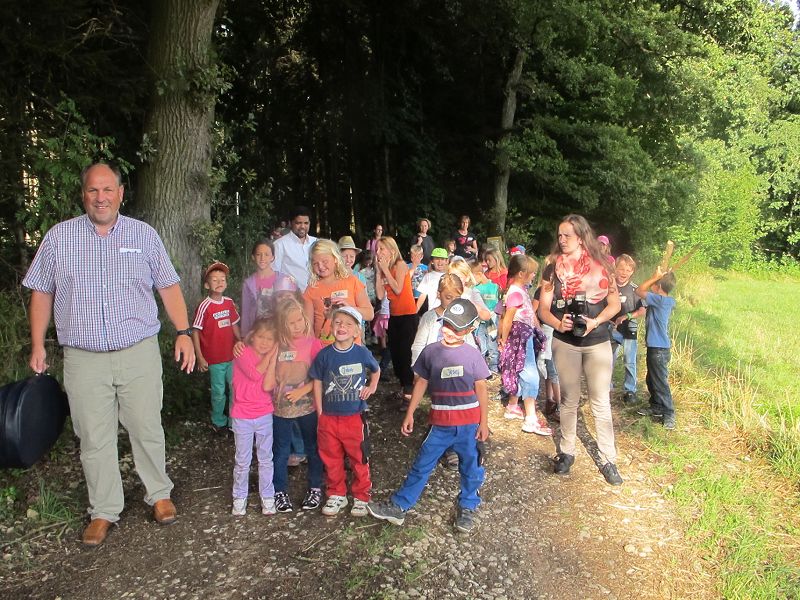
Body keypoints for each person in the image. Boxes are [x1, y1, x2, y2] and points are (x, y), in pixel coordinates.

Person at [22, 163, 195, 547]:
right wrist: (38, 343)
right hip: (83, 358)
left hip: (138, 351)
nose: (100, 197)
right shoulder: (59, 238)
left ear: (120, 193)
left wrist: (183, 333)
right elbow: (42, 292)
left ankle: (159, 494)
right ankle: (103, 510)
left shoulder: (143, 235)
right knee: (93, 436)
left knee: (146, 426)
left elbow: (168, 286)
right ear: (83, 194)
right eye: (93, 190)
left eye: (107, 190)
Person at [367, 299, 489, 533]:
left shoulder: (473, 355)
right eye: (447, 324)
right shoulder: (431, 352)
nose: (449, 331)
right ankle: (400, 506)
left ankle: (468, 506)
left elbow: (481, 388)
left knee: (471, 467)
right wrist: (410, 413)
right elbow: (421, 382)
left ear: (470, 329)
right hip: (440, 425)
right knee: (421, 464)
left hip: (468, 426)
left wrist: (483, 422)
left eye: (457, 328)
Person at [537, 214, 623, 486]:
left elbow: (615, 305)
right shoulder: (552, 267)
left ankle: (608, 459)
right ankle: (566, 452)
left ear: (582, 237)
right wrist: (557, 323)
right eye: (559, 235)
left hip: (598, 341)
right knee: (569, 400)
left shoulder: (603, 265)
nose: (562, 240)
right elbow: (542, 309)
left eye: (567, 236)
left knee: (600, 401)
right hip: (565, 343)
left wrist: (596, 321)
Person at [310, 306, 380, 517]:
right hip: (329, 418)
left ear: (357, 331)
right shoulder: (324, 355)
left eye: (349, 324)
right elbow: (317, 382)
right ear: (331, 326)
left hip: (354, 417)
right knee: (331, 457)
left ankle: (361, 496)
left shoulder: (361, 352)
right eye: (338, 322)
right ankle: (336, 494)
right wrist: (320, 412)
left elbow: (376, 370)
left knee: (359, 456)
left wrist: (372, 386)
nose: (342, 327)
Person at [270, 296, 324, 512]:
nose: (297, 326)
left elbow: (320, 376)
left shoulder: (313, 343)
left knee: (312, 447)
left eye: (299, 320)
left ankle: (315, 487)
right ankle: (279, 490)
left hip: (307, 406)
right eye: (291, 323)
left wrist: (303, 389)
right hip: (280, 408)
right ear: (282, 324)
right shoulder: (276, 344)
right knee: (281, 449)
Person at [497, 255, 552, 436]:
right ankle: (531, 419)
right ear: (521, 273)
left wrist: (538, 330)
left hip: (524, 336)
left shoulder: (520, 290)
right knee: (530, 374)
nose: (534, 275)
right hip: (519, 338)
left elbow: (530, 314)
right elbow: (507, 319)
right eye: (532, 273)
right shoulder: (515, 292)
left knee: (518, 370)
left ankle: (513, 406)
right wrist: (504, 340)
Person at [230, 318, 278, 516]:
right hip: (242, 415)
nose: (264, 342)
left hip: (264, 414)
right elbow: (254, 374)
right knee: (243, 460)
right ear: (252, 336)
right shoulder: (242, 352)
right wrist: (271, 356)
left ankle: (267, 496)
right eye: (261, 337)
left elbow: (268, 385)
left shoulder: (273, 357)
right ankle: (239, 497)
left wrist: (273, 359)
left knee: (266, 458)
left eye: (270, 339)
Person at [192, 261, 241, 434]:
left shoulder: (229, 303)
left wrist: (241, 340)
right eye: (214, 280)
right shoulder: (204, 306)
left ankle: (234, 420)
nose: (219, 282)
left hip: (232, 356)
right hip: (214, 359)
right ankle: (218, 421)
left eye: (222, 279)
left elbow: (234, 324)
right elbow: (195, 331)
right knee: (219, 392)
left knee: (235, 389)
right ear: (207, 285)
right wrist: (200, 357)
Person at [303, 239, 373, 345]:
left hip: (351, 349)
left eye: (325, 261)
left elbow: (369, 314)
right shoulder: (311, 289)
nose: (320, 266)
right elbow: (308, 326)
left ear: (335, 259)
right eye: (315, 263)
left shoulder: (352, 281)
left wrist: (349, 309)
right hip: (324, 350)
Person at [375, 236, 419, 405]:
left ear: (392, 251)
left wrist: (385, 270)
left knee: (405, 353)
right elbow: (380, 295)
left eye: (382, 249)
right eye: (377, 249)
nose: (378, 252)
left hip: (408, 315)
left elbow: (398, 289)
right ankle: (404, 387)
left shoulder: (400, 265)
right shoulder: (383, 269)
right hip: (394, 316)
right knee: (395, 353)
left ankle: (408, 392)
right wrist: (378, 272)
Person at [635, 266, 678, 430]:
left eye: (654, 284)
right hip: (657, 348)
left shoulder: (659, 300)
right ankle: (656, 406)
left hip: (658, 349)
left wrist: (654, 276)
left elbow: (639, 290)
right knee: (652, 379)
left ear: (658, 286)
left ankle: (669, 413)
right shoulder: (664, 300)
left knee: (660, 382)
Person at [610, 254, 646, 404]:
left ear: (632, 272)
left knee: (629, 360)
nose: (623, 273)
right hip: (611, 328)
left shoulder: (635, 290)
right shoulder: (609, 287)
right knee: (608, 359)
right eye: (621, 269)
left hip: (629, 329)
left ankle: (630, 390)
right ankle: (606, 386)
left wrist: (628, 316)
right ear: (615, 269)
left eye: (628, 270)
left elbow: (642, 310)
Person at [240, 239, 293, 337]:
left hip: (281, 333)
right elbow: (246, 312)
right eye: (258, 254)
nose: (262, 258)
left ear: (272, 257)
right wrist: (244, 336)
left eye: (266, 254)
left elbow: (292, 307)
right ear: (253, 257)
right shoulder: (248, 284)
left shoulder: (284, 279)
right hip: (258, 334)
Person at [273, 206, 317, 292]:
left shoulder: (316, 242)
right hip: (292, 297)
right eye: (298, 223)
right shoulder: (280, 245)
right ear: (290, 223)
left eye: (306, 223)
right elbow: (274, 273)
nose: (302, 226)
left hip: (317, 295)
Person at [471, 261, 500, 374]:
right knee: (481, 346)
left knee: (493, 346)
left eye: (472, 277)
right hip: (480, 322)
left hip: (493, 321)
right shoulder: (475, 289)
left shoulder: (495, 287)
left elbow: (499, 303)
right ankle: (482, 370)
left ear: (479, 274)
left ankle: (494, 370)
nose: (472, 281)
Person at [414, 247, 449, 314]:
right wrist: (416, 310)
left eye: (442, 259)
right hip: (433, 313)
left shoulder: (450, 276)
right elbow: (423, 294)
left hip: (448, 313)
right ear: (432, 261)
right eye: (437, 259)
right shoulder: (428, 276)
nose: (440, 262)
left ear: (446, 261)